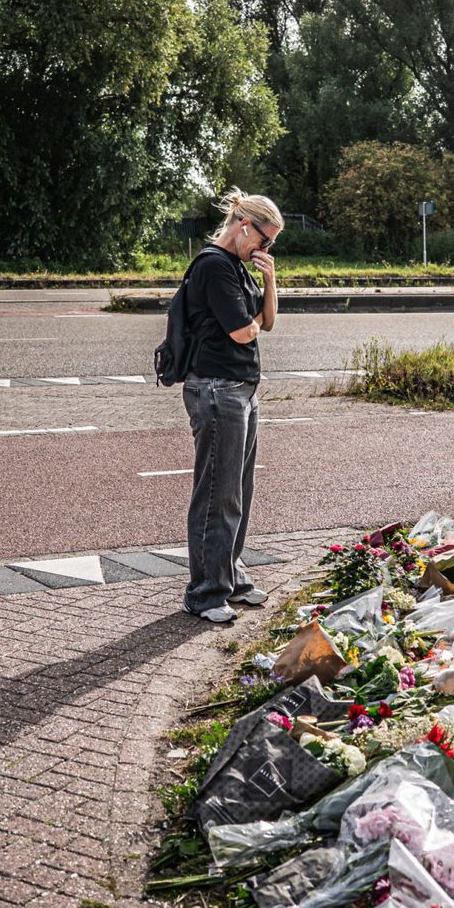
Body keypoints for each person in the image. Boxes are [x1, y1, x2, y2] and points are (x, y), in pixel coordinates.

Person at [181, 188, 284, 623]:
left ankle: (231, 577)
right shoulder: (214, 266)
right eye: (265, 240)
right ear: (244, 226)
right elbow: (243, 332)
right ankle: (205, 593)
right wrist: (251, 321)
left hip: (240, 388)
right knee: (216, 495)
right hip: (216, 389)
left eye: (271, 245)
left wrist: (270, 281)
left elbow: (267, 322)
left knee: (238, 489)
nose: (266, 250)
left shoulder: (239, 267)